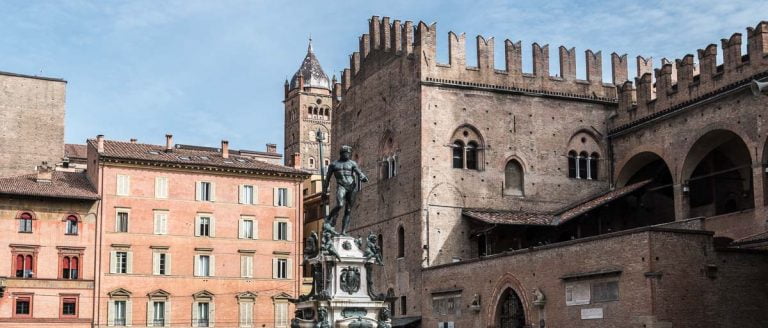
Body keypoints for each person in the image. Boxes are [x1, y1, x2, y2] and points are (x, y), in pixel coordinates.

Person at [323, 145, 368, 235]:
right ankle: (329, 218)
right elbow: (327, 178)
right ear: (341, 153)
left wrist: (362, 176)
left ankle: (343, 231)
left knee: (348, 210)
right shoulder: (334, 165)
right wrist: (324, 191)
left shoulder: (352, 163)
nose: (347, 155)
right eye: (345, 153)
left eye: (348, 153)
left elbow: (358, 172)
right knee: (340, 204)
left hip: (351, 186)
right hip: (341, 185)